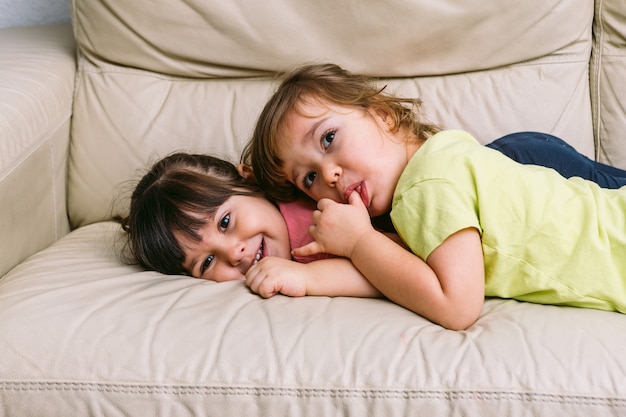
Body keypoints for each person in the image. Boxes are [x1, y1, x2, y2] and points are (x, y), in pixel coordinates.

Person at [244, 63, 626, 330]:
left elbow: (456, 306)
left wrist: (360, 241)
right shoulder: (438, 160)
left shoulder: (425, 185)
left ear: (382, 115)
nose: (329, 175)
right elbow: (396, 271)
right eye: (308, 178)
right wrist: (307, 277)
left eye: (329, 138)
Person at [117, 152, 381, 298]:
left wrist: (309, 278)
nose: (234, 254)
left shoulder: (316, 216)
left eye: (225, 221)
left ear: (251, 183)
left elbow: (392, 267)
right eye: (207, 262)